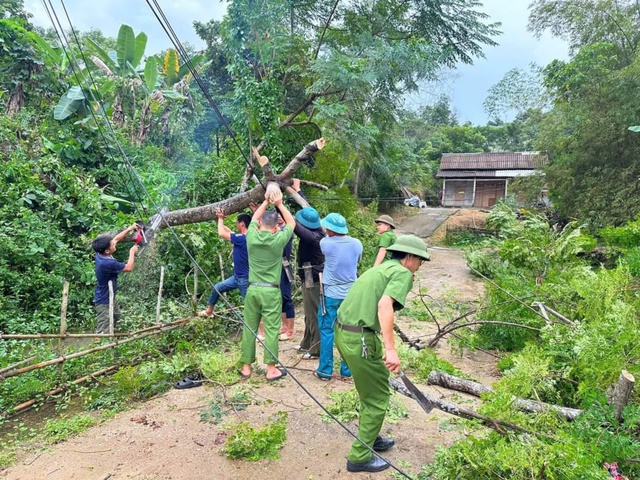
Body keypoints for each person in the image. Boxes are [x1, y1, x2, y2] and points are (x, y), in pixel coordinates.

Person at [335, 235, 430, 473]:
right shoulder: (402, 273)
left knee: (370, 391)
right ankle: (359, 457)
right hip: (361, 340)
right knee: (377, 398)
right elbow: (384, 305)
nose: (420, 265)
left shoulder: (381, 268)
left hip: (344, 333)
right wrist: (391, 349)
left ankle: (372, 436)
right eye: (420, 260)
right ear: (409, 257)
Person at [239, 187, 295, 381]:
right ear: (274, 227)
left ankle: (246, 367)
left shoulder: (251, 237)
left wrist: (265, 202)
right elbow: (291, 222)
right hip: (271, 291)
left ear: (261, 223)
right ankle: (271, 369)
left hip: (252, 289)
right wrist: (279, 204)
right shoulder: (278, 240)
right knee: (271, 329)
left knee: (249, 327)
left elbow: (254, 220)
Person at [314, 213, 362, 380]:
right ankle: (347, 370)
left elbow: (323, 234)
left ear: (331, 230)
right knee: (348, 331)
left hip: (331, 295)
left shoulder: (326, 243)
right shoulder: (357, 244)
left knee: (327, 331)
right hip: (351, 295)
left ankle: (325, 370)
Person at [199, 209, 251, 317]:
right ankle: (209, 311)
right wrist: (218, 220)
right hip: (237, 277)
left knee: (251, 306)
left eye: (237, 223)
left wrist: (221, 219)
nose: (236, 225)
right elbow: (229, 232)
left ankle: (260, 331)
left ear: (242, 224)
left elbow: (222, 233)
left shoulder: (242, 238)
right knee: (218, 287)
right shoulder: (242, 237)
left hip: (244, 279)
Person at [92, 223, 140, 334]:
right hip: (104, 300)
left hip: (110, 296)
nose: (114, 243)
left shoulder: (100, 253)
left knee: (117, 317)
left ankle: (115, 338)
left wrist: (130, 228)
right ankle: (100, 346)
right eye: (112, 245)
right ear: (107, 251)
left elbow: (116, 239)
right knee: (103, 327)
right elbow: (128, 267)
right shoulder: (107, 263)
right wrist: (132, 252)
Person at [293, 204, 325, 360]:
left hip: (313, 278)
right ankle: (307, 342)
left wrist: (279, 205)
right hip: (309, 276)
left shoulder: (313, 237)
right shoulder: (317, 231)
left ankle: (316, 349)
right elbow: (306, 209)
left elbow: (293, 225)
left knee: (313, 313)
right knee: (308, 312)